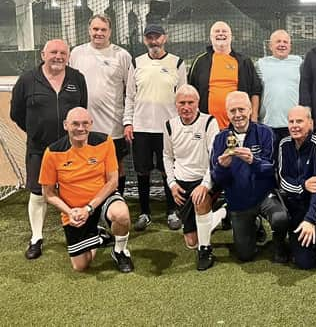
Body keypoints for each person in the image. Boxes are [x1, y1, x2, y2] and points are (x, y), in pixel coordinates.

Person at [10, 39, 87, 260]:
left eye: (63, 53)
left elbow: (82, 110)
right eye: (53, 52)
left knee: (75, 190)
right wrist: (36, 130)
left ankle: (82, 232)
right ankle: (36, 238)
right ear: (43, 54)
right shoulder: (27, 80)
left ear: (68, 56)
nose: (58, 56)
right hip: (39, 149)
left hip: (70, 148)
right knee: (38, 193)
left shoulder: (77, 78)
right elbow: (16, 114)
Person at [39, 107, 133, 273]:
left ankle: (120, 251)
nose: (81, 128)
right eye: (75, 124)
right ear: (65, 125)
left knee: (122, 215)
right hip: (74, 211)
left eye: (85, 123)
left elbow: (112, 182)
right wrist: (70, 212)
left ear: (91, 124)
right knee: (80, 266)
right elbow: (48, 194)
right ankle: (98, 235)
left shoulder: (105, 141)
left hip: (102, 199)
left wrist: (89, 208)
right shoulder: (52, 152)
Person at [211, 91, 289, 263]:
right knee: (245, 255)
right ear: (227, 113)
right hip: (239, 202)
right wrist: (223, 167)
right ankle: (254, 225)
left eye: (241, 109)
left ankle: (279, 243)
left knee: (280, 218)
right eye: (232, 111)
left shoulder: (265, 133)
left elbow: (273, 169)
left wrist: (254, 161)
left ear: (250, 110)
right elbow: (216, 178)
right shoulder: (220, 139)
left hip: (264, 196)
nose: (237, 115)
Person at [123, 24, 187, 231]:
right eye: (149, 37)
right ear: (145, 40)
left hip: (168, 129)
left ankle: (171, 212)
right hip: (141, 128)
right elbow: (130, 96)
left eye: (157, 37)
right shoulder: (137, 62)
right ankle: (144, 213)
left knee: (168, 172)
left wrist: (180, 125)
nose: (154, 41)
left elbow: (183, 97)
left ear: (164, 38)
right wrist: (128, 122)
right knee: (142, 172)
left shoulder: (177, 62)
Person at [163, 84, 226, 271]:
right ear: (176, 104)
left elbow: (214, 157)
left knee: (200, 201)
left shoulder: (209, 122)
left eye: (190, 102)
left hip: (204, 180)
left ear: (198, 103)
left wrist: (205, 185)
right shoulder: (170, 125)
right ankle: (222, 213)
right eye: (182, 102)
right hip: (182, 185)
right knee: (191, 241)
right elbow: (167, 156)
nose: (186, 107)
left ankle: (205, 250)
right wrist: (172, 184)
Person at [69, 14, 132, 196]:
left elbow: (131, 92)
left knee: (117, 166)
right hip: (84, 127)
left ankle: (117, 200)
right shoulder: (77, 53)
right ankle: (91, 203)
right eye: (95, 29)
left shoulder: (122, 55)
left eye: (103, 30)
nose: (99, 33)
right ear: (89, 30)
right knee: (87, 166)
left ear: (110, 32)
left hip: (113, 125)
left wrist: (128, 120)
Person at [278, 106, 316, 271]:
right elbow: (283, 180)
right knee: (304, 263)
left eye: (300, 121)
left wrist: (311, 219)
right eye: (291, 121)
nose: (295, 126)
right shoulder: (284, 144)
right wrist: (303, 186)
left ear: (310, 123)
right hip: (297, 202)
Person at [188, 21, 262, 129]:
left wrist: (254, 119)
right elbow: (191, 92)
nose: (221, 33)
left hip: (239, 125)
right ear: (210, 37)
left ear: (231, 36)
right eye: (217, 31)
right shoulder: (200, 61)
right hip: (207, 126)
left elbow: (255, 91)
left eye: (224, 31)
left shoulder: (243, 61)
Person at [255, 29, 303, 145]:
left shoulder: (299, 62)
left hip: (294, 125)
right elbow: (255, 92)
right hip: (268, 124)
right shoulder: (260, 64)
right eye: (278, 42)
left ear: (290, 45)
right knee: (270, 161)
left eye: (285, 42)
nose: (282, 45)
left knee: (291, 161)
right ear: (270, 46)